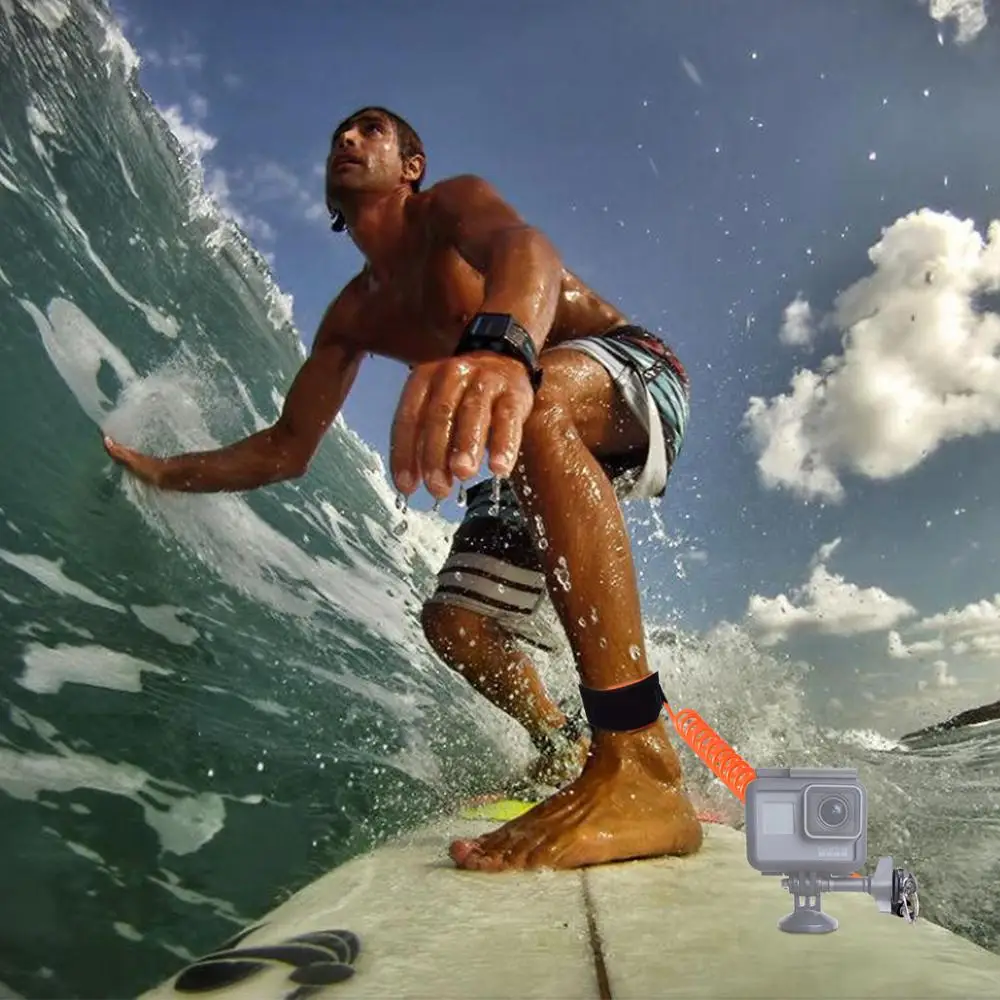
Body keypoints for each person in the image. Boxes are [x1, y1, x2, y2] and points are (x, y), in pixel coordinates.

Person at [104, 106, 703, 872]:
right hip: (528, 422)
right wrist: (164, 471)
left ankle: (640, 761)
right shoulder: (355, 315)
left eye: (369, 131)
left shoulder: (449, 207)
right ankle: (561, 743)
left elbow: (528, 248)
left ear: (412, 165)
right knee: (456, 624)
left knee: (539, 401)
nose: (347, 141)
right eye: (338, 136)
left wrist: (502, 348)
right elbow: (286, 448)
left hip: (622, 372)